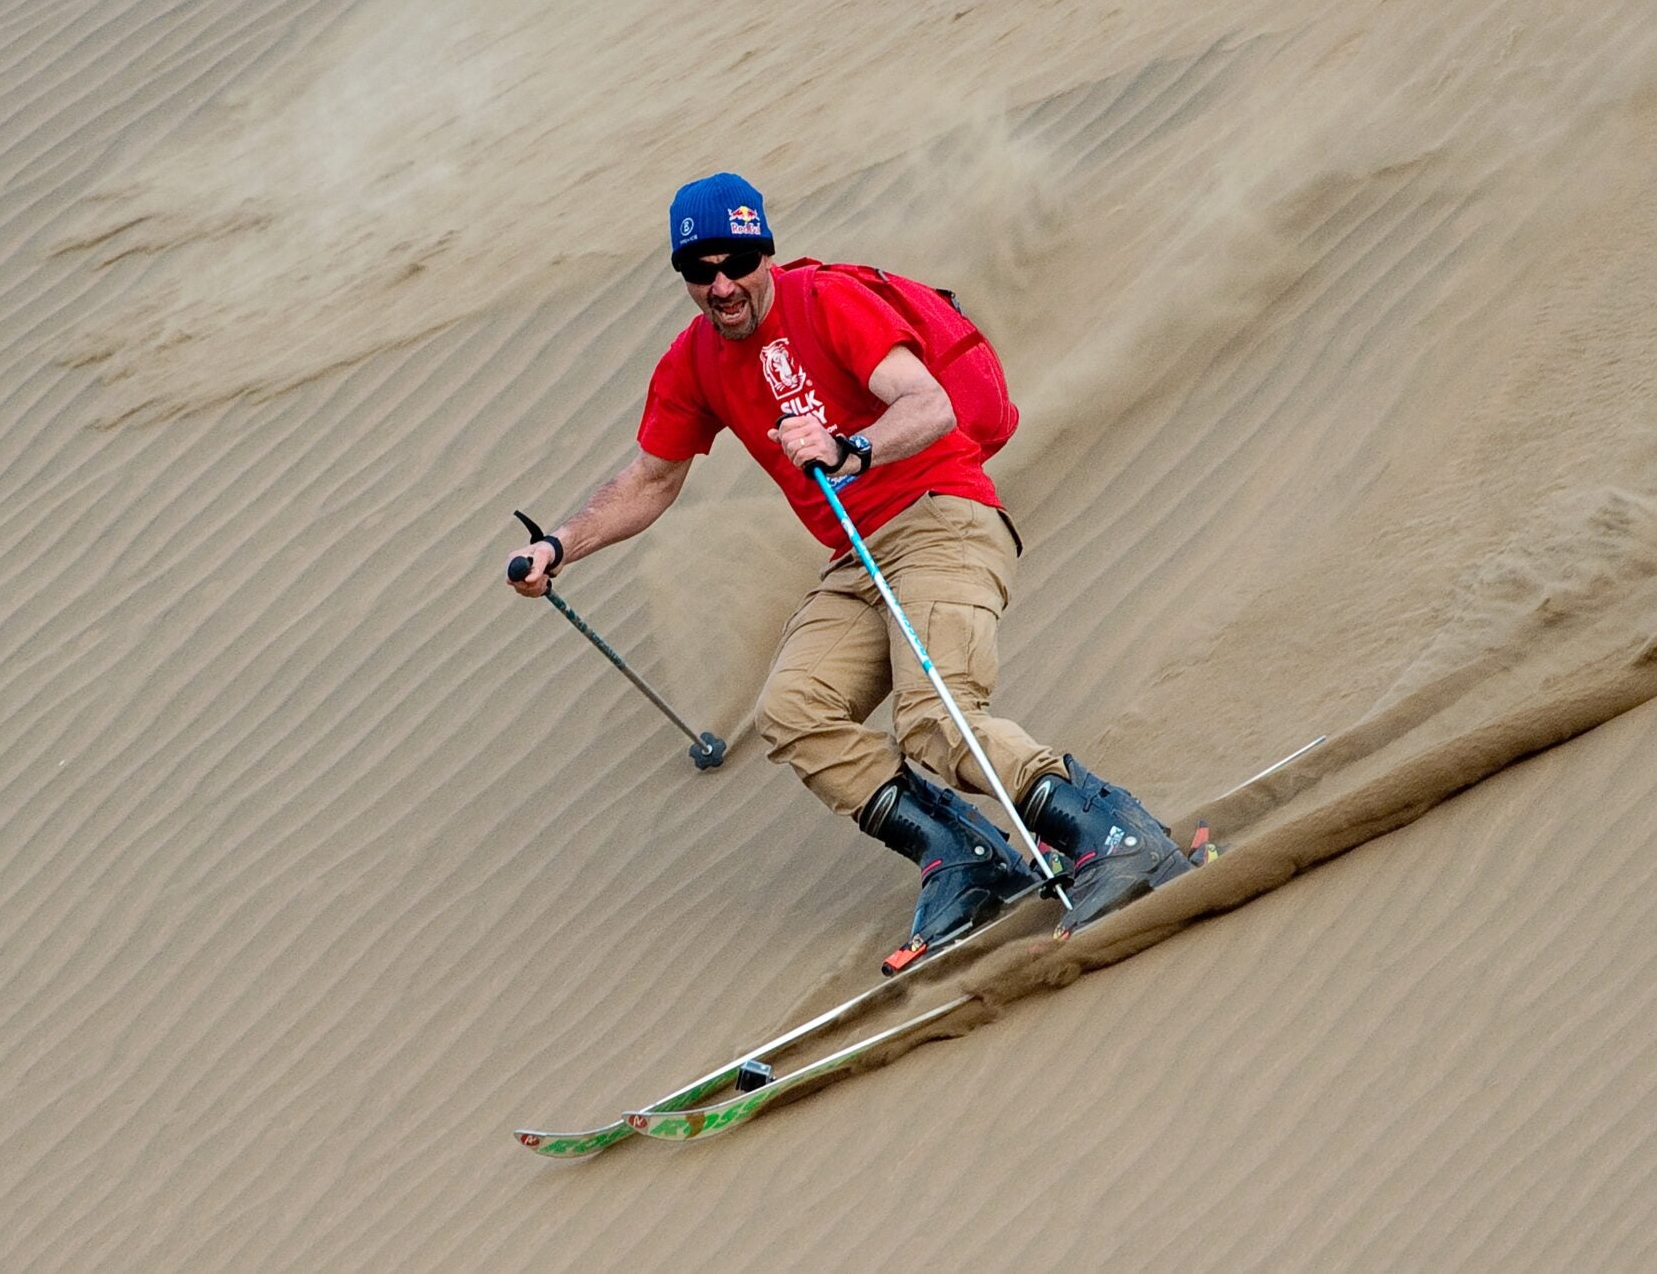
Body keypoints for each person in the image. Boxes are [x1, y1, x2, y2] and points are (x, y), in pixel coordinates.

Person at [510, 171, 1191, 961]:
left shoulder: (826, 300)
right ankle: (965, 863)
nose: (722, 284)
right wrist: (557, 545)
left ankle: (1114, 834)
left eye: (736, 261)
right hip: (856, 560)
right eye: (700, 271)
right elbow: (650, 479)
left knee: (935, 718)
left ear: (765, 250)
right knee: (795, 709)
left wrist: (850, 447)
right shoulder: (695, 359)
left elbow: (927, 401)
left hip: (942, 518)